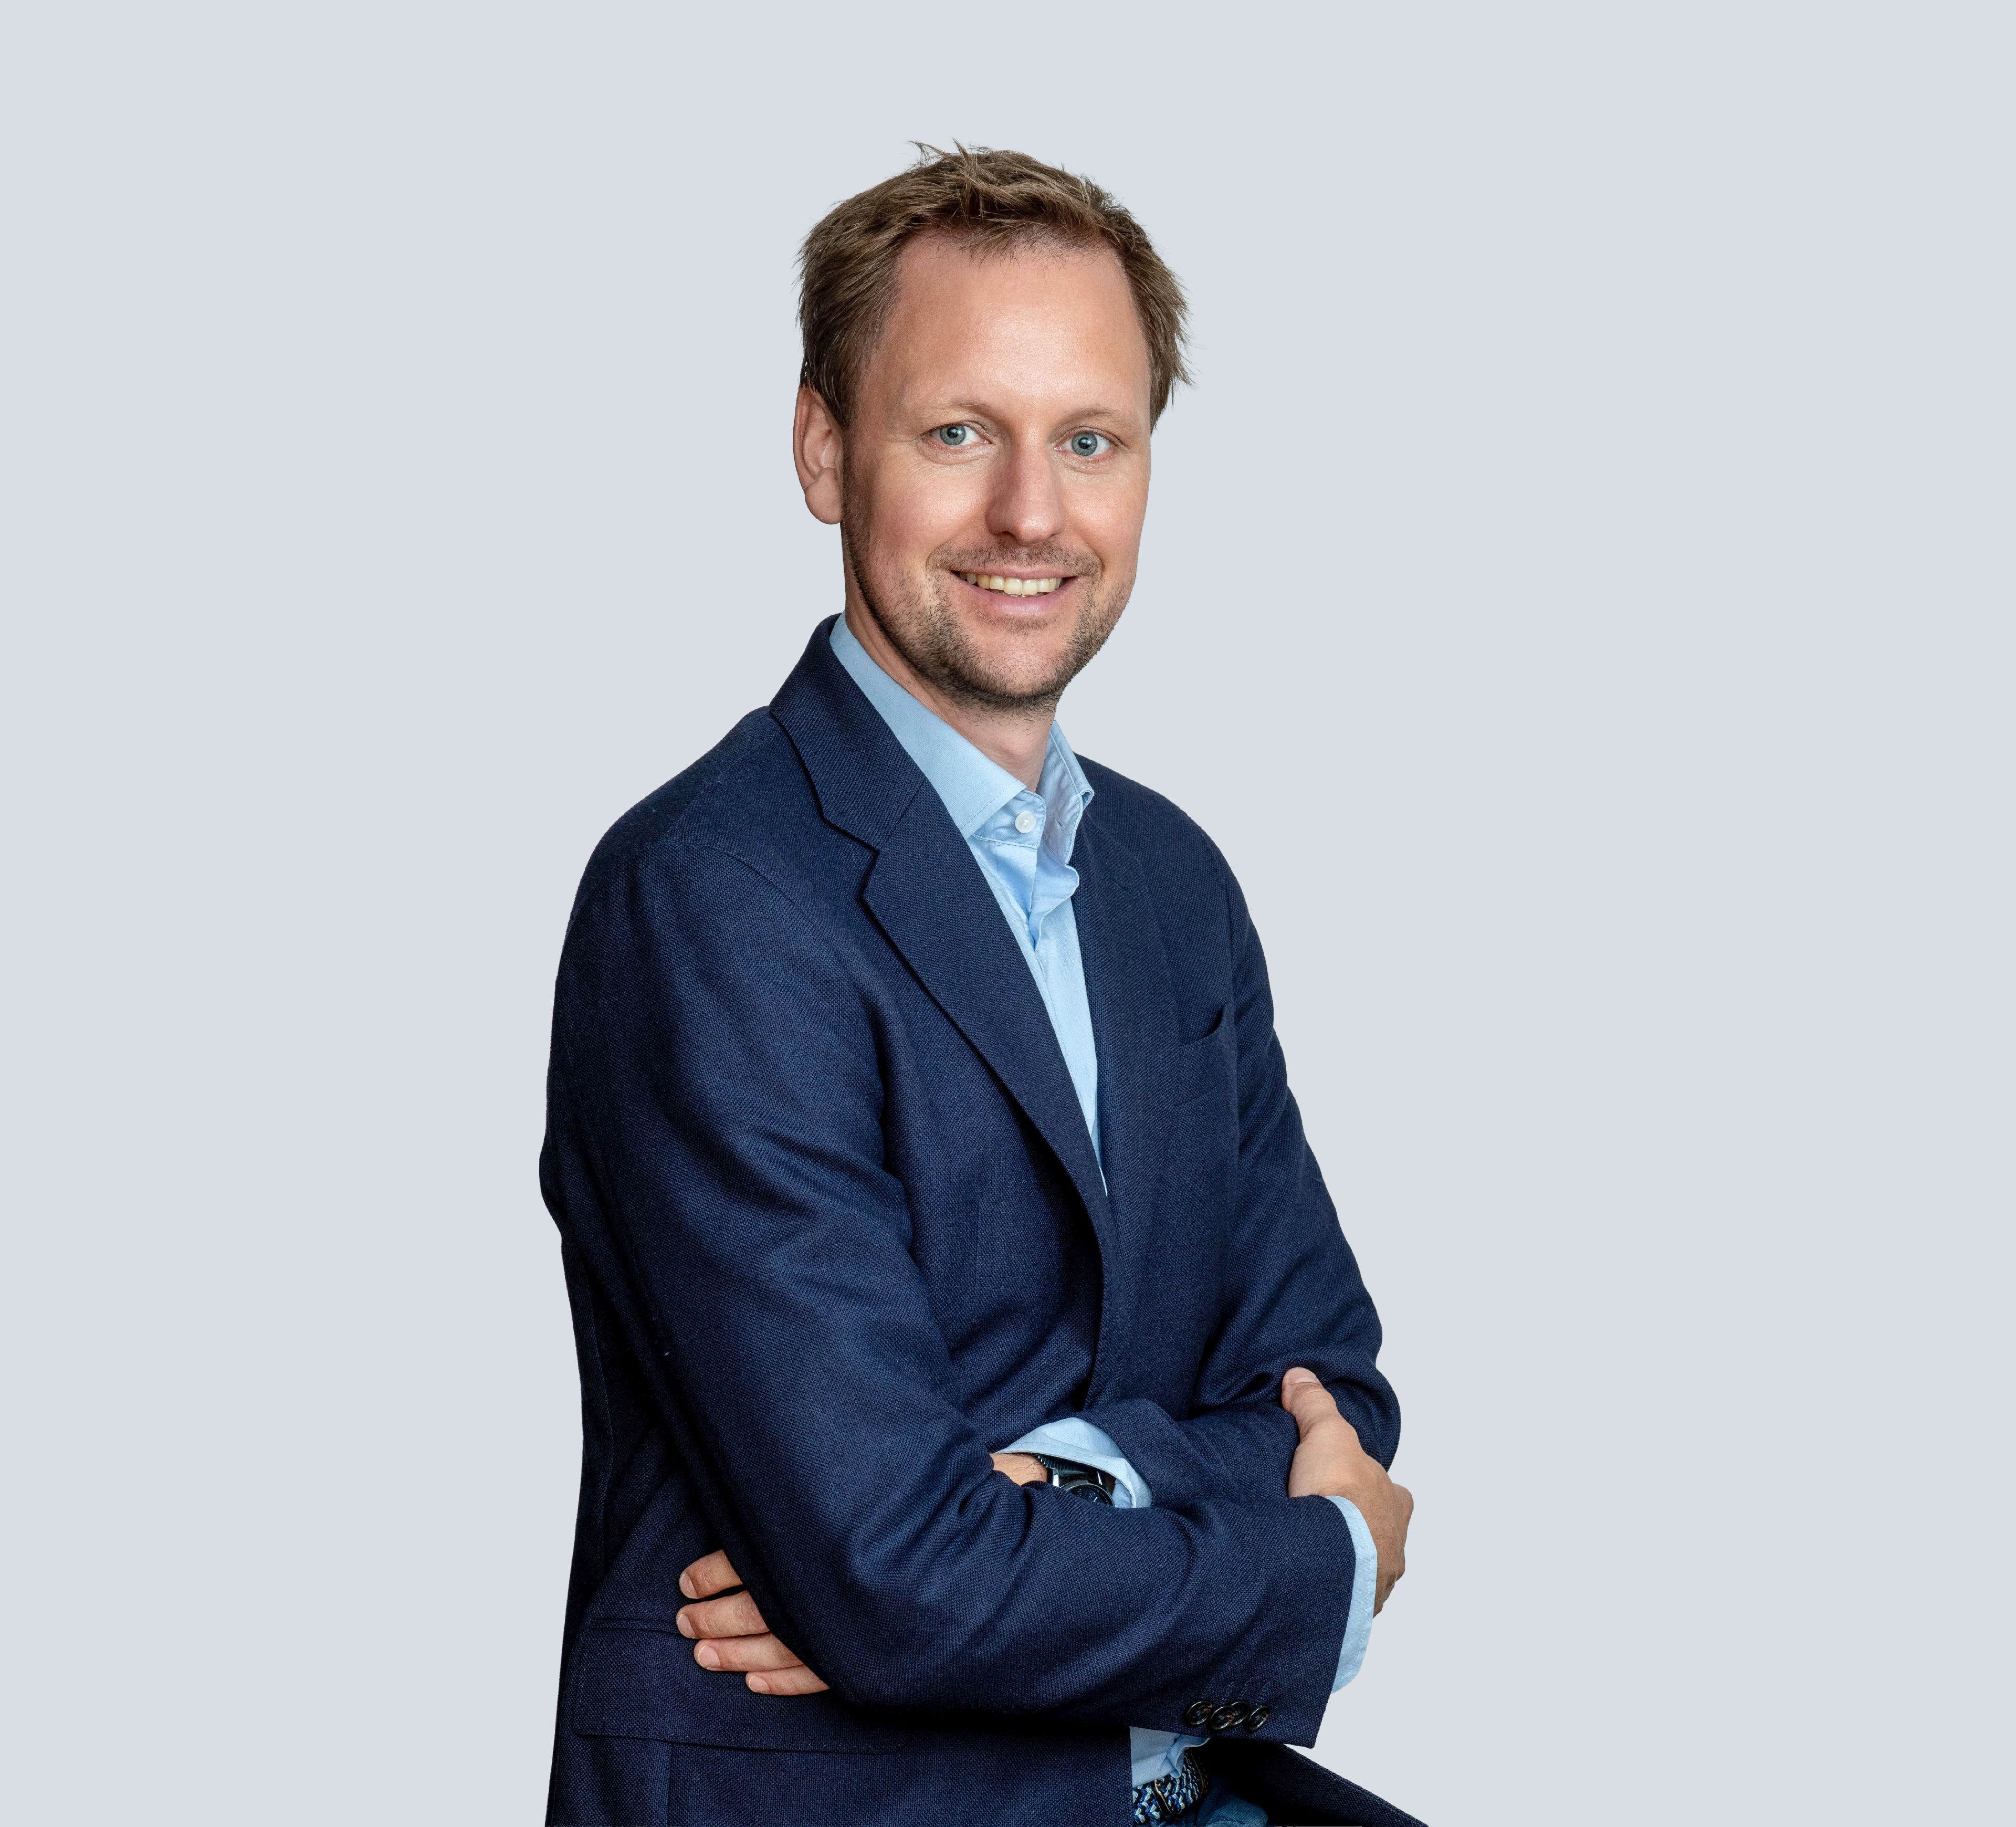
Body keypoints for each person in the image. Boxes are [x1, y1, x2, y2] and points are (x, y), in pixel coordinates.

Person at [540, 145, 1420, 1827]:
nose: (1033, 513)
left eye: (1090, 440)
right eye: (959, 434)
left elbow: (1330, 1397)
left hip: (1169, 1782)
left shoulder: (1170, 882)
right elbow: (900, 1580)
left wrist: (1060, 1492)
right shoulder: (710, 898)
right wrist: (1316, 1562)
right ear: (824, 451)